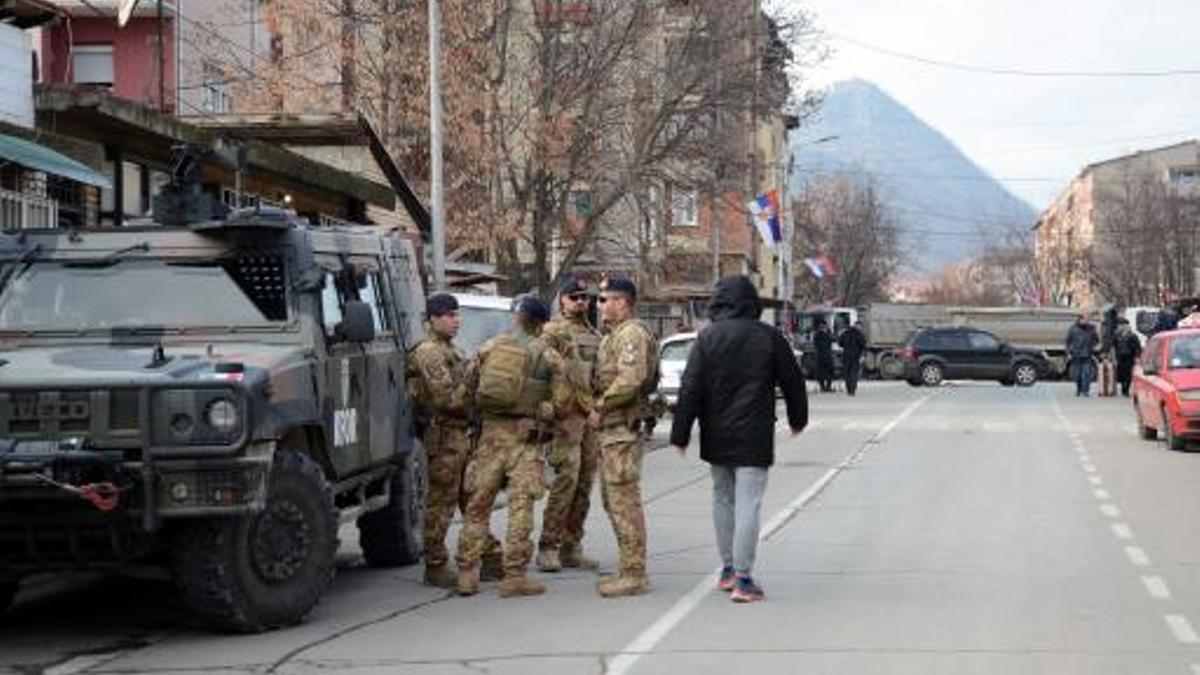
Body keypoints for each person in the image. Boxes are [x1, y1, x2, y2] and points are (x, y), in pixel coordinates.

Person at [669, 276, 807, 603]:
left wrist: (680, 434)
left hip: (716, 433)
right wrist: (798, 419)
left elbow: (691, 387)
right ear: (752, 303)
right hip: (754, 434)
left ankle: (728, 570)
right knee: (749, 503)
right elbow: (793, 381)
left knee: (722, 499)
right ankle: (744, 579)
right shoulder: (769, 337)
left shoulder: (707, 339)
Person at [456, 296, 569, 598]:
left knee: (477, 506)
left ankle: (467, 573)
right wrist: (542, 409)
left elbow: (467, 389)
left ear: (517, 317)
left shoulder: (489, 347)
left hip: (489, 439)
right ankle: (514, 576)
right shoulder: (549, 356)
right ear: (542, 323)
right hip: (525, 441)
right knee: (521, 508)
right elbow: (563, 404)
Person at [406, 293, 502, 588]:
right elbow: (447, 399)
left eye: (457, 315)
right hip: (444, 435)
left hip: (461, 435)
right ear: (432, 319)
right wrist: (474, 380)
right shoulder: (428, 352)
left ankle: (491, 556)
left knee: (472, 498)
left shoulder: (452, 350)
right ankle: (435, 565)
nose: (455, 320)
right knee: (441, 503)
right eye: (449, 315)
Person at [587, 276, 658, 598]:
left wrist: (601, 406)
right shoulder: (612, 335)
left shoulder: (631, 333)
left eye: (604, 300)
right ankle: (629, 567)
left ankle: (634, 573)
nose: (599, 305)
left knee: (623, 501)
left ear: (622, 302)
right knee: (612, 499)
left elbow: (631, 378)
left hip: (621, 429)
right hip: (612, 431)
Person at [536, 276, 602, 572]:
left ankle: (571, 545)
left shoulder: (593, 333)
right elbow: (541, 373)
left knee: (584, 484)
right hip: (566, 420)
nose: (581, 302)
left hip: (590, 420)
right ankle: (548, 546)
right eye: (574, 297)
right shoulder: (551, 331)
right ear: (562, 299)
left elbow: (596, 377)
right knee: (566, 481)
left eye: (585, 298)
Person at [1066, 313, 1100, 397]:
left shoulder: (1091, 329)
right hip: (1076, 355)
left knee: (1087, 373)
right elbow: (1067, 342)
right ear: (1080, 320)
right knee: (1078, 374)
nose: (1087, 321)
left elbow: (1096, 340)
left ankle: (1086, 391)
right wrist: (1068, 352)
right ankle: (1079, 389)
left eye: (1088, 319)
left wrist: (1092, 347)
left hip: (1087, 354)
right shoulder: (1073, 329)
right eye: (1085, 319)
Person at [1112, 318, 1142, 397]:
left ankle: (1126, 389)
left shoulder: (1132, 336)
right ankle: (1123, 387)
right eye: (1120, 325)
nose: (1121, 327)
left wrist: (1137, 357)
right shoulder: (1116, 335)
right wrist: (1113, 357)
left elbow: (1138, 347)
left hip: (1129, 357)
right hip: (1120, 357)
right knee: (1121, 373)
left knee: (1128, 374)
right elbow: (1113, 346)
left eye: (1123, 325)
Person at [838, 321, 868, 396]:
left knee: (847, 373)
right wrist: (863, 355)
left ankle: (849, 389)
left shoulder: (845, 333)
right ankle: (852, 390)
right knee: (853, 374)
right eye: (860, 326)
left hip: (846, 356)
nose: (860, 328)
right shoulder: (859, 335)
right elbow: (864, 346)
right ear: (858, 326)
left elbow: (840, 343)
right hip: (855, 357)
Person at [813, 319, 835, 393]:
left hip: (820, 355)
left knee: (822, 372)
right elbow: (829, 342)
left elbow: (815, 344)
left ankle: (824, 387)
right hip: (826, 355)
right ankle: (827, 387)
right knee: (828, 371)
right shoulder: (825, 335)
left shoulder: (817, 335)